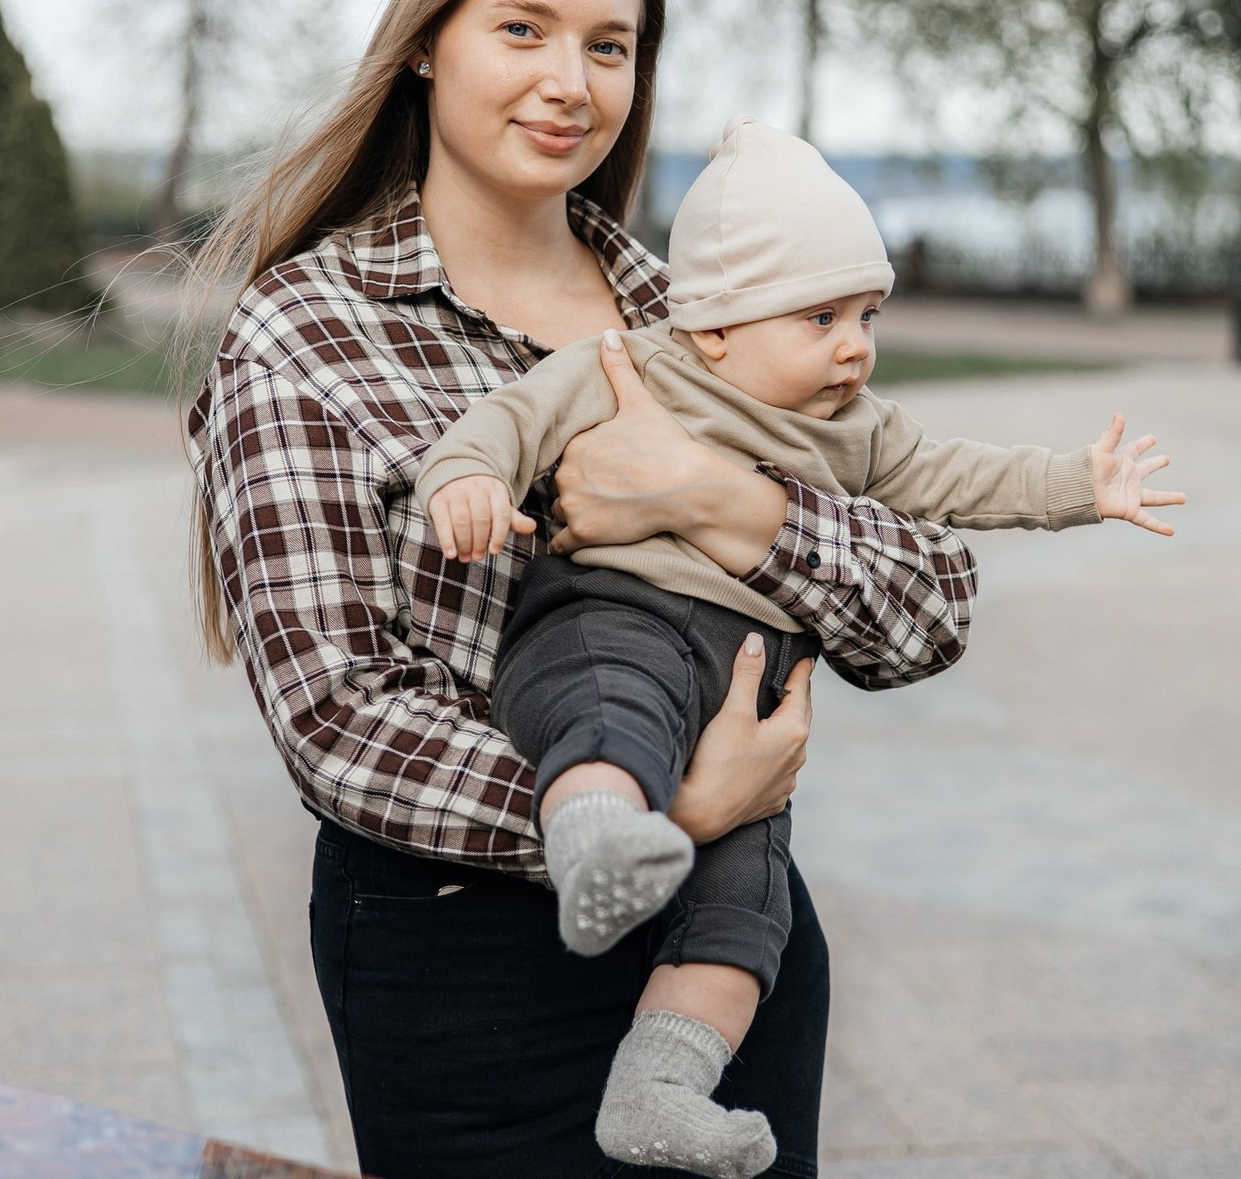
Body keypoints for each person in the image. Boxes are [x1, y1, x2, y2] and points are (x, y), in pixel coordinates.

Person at [184, 0, 982, 1177]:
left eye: (609, 47)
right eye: (523, 29)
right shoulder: (308, 330)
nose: (570, 82)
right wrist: (655, 800)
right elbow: (335, 713)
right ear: (428, 44)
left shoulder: (702, 317)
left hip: (723, 951)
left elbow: (931, 598)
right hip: (466, 960)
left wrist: (723, 503)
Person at [419, 114, 1185, 1176]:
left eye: (865, 313)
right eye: (820, 315)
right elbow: (504, 421)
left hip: (745, 691)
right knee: (607, 719)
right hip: (613, 620)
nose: (853, 345)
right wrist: (464, 480)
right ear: (718, 327)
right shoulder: (629, 364)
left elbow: (954, 477)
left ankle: (656, 1087)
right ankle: (596, 834)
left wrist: (1074, 487)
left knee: (747, 910)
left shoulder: (854, 425)